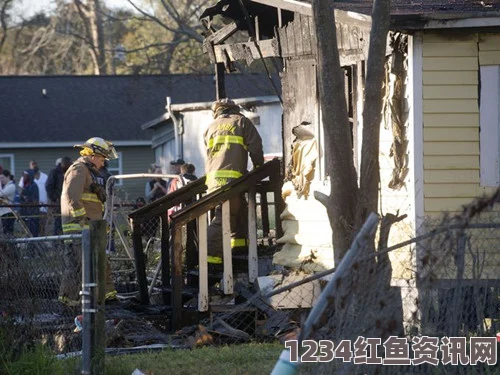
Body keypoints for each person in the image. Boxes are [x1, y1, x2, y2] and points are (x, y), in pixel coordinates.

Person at [58, 137, 118, 307]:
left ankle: (107, 300)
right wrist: (83, 223)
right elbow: (72, 198)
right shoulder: (78, 170)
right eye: (101, 158)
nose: (103, 163)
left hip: (91, 228)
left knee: (99, 262)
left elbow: (88, 199)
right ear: (92, 156)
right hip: (79, 228)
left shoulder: (89, 173)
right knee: (78, 267)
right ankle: (68, 305)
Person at [204, 98, 264, 267]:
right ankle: (210, 259)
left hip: (214, 180)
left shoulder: (210, 127)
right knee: (222, 218)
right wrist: (259, 166)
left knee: (237, 211)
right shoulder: (241, 122)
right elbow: (256, 146)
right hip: (232, 179)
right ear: (234, 109)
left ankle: (238, 247)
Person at [19, 160, 49, 235]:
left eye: (36, 164)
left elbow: (33, 199)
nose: (23, 177)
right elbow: (22, 194)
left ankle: (37, 243)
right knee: (27, 229)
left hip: (36, 209)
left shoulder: (34, 185)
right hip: (27, 211)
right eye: (32, 164)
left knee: (39, 228)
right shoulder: (26, 184)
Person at [46, 156, 72, 235]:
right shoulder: (55, 172)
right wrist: (55, 198)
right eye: (68, 165)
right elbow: (49, 186)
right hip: (58, 202)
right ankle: (57, 243)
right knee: (58, 222)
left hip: (68, 202)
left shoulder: (69, 172)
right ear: (63, 164)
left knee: (68, 222)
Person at [20, 169, 40, 237]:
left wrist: (25, 198)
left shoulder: (33, 186)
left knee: (33, 232)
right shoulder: (25, 186)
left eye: (25, 176)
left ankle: (33, 245)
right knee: (27, 232)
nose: (23, 177)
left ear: (29, 176)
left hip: (32, 213)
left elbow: (34, 200)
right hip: (26, 212)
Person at [0, 169, 16, 235]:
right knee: (5, 231)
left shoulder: (11, 186)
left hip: (9, 212)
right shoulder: (5, 186)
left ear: (8, 177)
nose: (1, 180)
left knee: (8, 232)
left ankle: (12, 245)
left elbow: (1, 194)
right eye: (0, 178)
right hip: (3, 212)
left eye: (3, 177)